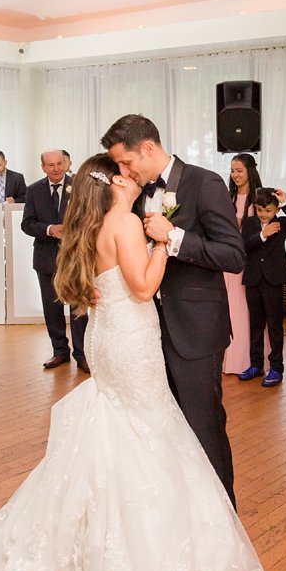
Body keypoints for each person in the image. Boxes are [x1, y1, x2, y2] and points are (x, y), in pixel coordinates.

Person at [0, 154, 264, 571]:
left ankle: (85, 544)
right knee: (145, 426)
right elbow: (143, 288)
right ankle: (135, 555)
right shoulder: (122, 221)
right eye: (123, 171)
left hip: (105, 338)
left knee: (117, 424)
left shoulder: (91, 223)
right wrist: (163, 243)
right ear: (115, 182)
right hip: (131, 339)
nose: (133, 174)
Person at [101, 114, 245, 505]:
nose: (123, 171)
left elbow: (233, 255)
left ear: (148, 147)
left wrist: (175, 237)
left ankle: (223, 518)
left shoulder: (204, 182)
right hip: (144, 331)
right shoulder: (131, 193)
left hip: (195, 330)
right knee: (162, 428)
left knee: (203, 425)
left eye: (126, 161)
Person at [22, 148, 87, 372]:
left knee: (78, 308)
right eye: (51, 165)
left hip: (75, 258)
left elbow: (89, 218)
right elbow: (26, 224)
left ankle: (82, 354)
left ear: (66, 163)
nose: (57, 168)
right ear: (43, 167)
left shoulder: (80, 187)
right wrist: (49, 229)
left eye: (60, 163)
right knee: (52, 308)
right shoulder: (33, 191)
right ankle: (60, 352)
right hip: (46, 259)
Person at [240, 188, 286, 387]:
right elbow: (244, 246)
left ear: (275, 210)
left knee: (275, 325)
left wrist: (285, 203)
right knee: (255, 325)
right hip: (253, 279)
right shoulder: (250, 223)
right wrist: (262, 234)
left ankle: (276, 368)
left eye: (268, 210)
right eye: (260, 210)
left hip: (273, 280)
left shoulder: (283, 223)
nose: (263, 214)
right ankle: (256, 365)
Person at [222, 154, 265, 376]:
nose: (235, 175)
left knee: (245, 310)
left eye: (239, 170)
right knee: (228, 308)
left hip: (250, 260)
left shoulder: (259, 197)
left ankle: (249, 359)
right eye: (232, 171)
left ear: (249, 170)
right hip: (229, 260)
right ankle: (228, 356)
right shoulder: (226, 197)